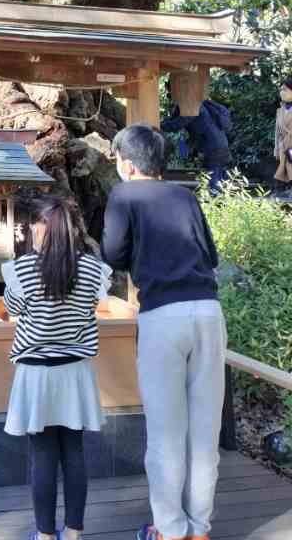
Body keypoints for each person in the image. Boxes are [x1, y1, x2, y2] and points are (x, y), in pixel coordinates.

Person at [102, 125, 224, 540]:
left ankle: (170, 530)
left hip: (163, 316)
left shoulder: (124, 195)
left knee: (166, 431)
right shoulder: (185, 196)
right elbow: (211, 254)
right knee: (204, 430)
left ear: (128, 164)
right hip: (208, 311)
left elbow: (112, 254)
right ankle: (199, 528)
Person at [2, 195, 112, 540]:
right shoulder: (95, 269)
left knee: (43, 456)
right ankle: (74, 531)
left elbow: (13, 309)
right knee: (74, 452)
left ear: (39, 227)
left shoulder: (20, 268)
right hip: (75, 370)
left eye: (31, 225)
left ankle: (46, 534)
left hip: (36, 374)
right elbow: (94, 305)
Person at [161, 99, 232, 194]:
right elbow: (176, 120)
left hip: (213, 147)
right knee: (219, 176)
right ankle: (224, 201)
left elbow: (178, 124)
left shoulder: (192, 106)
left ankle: (217, 202)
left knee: (213, 177)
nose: (169, 95)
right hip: (221, 144)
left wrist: (158, 125)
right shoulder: (198, 104)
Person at [274, 78, 292, 187]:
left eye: (285, 89)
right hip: (283, 145)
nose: (282, 92)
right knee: (285, 169)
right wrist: (276, 148)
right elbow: (277, 132)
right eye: (281, 89)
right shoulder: (279, 110)